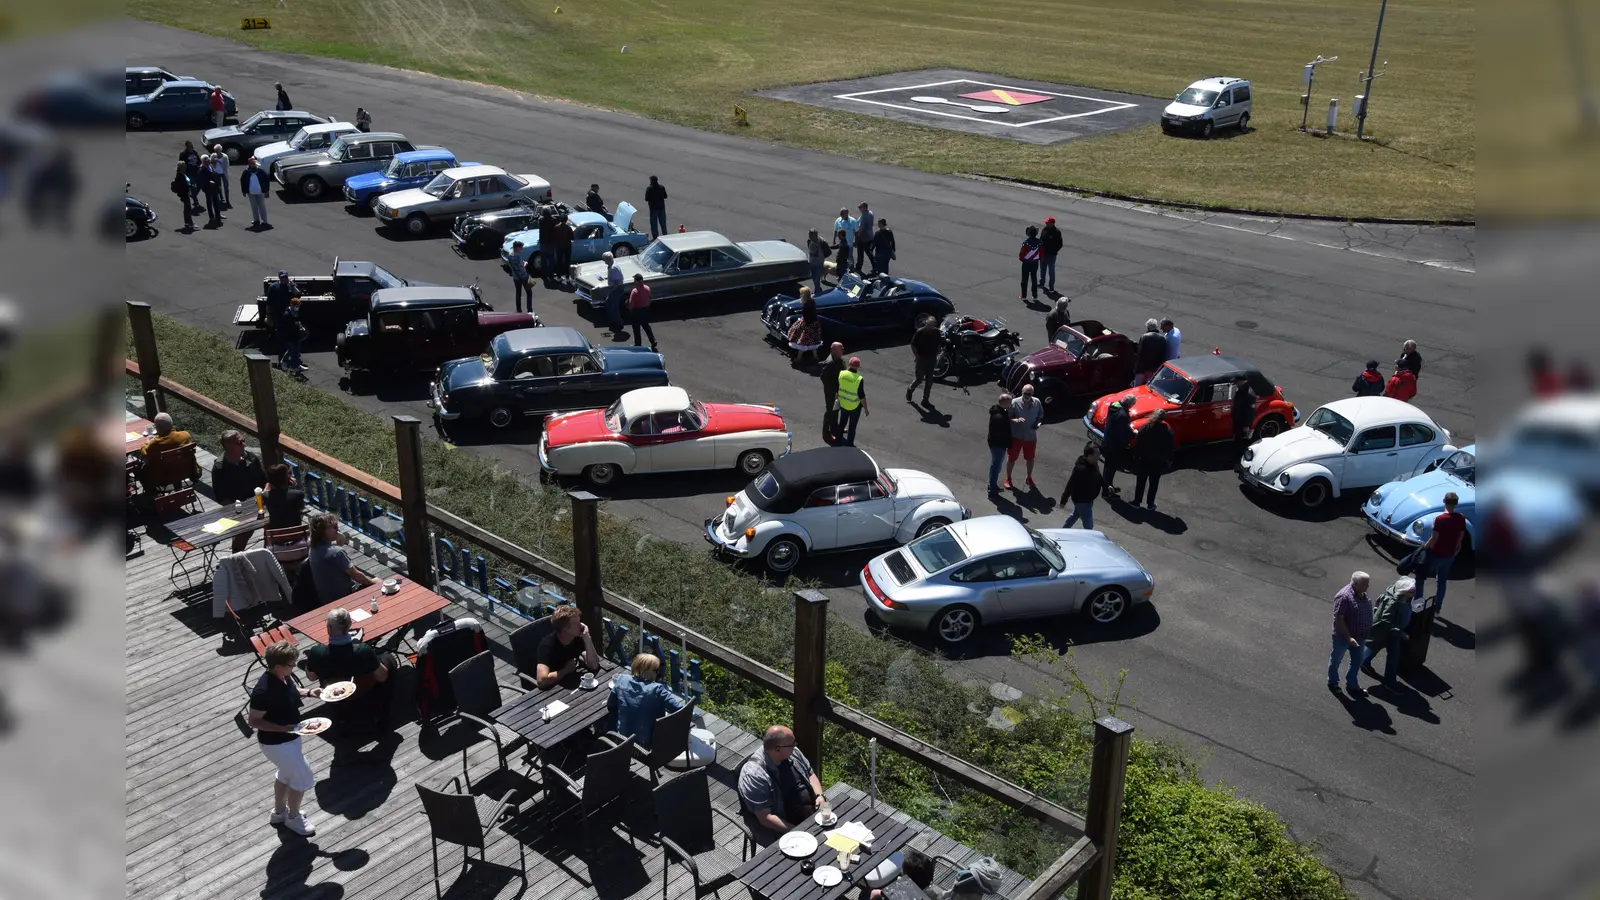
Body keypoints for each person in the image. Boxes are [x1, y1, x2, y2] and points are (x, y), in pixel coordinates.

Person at [248, 641, 320, 836]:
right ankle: (294, 818)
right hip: (276, 743)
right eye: (291, 664)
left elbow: (293, 691)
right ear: (278, 666)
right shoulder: (264, 691)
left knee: (286, 775)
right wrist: (281, 728)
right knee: (303, 777)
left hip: (290, 737)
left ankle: (279, 813)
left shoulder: (283, 677)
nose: (294, 666)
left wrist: (311, 692)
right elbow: (254, 721)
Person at [738, 725, 828, 843]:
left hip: (810, 813)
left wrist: (819, 795)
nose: (795, 746)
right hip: (784, 828)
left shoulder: (792, 753)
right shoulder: (754, 775)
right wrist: (798, 831)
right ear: (778, 749)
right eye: (792, 744)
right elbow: (765, 818)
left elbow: (810, 773)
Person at [607, 653, 685, 747]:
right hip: (645, 747)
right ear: (647, 670)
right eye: (656, 670)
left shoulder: (622, 680)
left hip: (621, 741)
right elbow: (680, 710)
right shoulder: (657, 689)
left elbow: (610, 705)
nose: (658, 673)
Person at [302, 608, 390, 687]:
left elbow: (312, 678)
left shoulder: (317, 652)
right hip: (364, 694)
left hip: (335, 699)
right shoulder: (363, 651)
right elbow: (382, 677)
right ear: (350, 625)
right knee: (388, 659)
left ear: (328, 628)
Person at [212, 430, 267, 552]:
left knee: (275, 522)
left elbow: (264, 482)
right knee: (244, 532)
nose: (244, 444)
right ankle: (237, 559)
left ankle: (269, 553)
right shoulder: (220, 468)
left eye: (243, 441)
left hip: (258, 503)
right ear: (230, 447)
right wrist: (241, 511)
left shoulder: (251, 458)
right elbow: (221, 497)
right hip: (236, 509)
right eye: (240, 442)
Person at [1416, 491, 1467, 619]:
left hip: (1436, 554)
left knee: (1420, 578)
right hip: (1449, 555)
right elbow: (1460, 536)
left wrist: (1423, 549)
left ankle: (1418, 605)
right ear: (1456, 503)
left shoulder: (1439, 519)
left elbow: (1434, 539)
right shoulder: (1461, 517)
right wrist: (1456, 548)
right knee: (1442, 581)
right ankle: (1437, 607)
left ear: (1444, 501)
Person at [307, 513, 376, 603]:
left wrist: (338, 535)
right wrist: (373, 582)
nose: (338, 530)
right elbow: (356, 576)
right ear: (323, 530)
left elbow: (340, 541)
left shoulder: (313, 549)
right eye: (334, 527)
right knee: (377, 582)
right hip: (346, 596)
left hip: (326, 599)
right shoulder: (337, 553)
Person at [1361, 577, 1416, 687]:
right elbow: (1386, 622)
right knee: (1393, 657)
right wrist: (1400, 633)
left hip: (1387, 632)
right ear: (1404, 591)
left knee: (1374, 647)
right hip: (1389, 633)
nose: (1414, 593)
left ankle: (1363, 662)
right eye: (1412, 591)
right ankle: (1390, 683)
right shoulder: (1393, 603)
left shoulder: (1402, 597)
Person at [1329, 572, 1374, 695]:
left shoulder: (1361, 593)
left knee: (1357, 660)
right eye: (1365, 584)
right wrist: (1348, 638)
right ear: (1355, 584)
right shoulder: (1344, 597)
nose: (1368, 586)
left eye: (1368, 583)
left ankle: (1352, 685)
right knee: (1336, 660)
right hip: (1343, 637)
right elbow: (1339, 618)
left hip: (1359, 636)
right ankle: (1333, 682)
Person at [534, 604, 600, 688]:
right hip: (552, 690)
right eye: (577, 623)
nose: (581, 625)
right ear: (565, 629)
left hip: (571, 682)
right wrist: (566, 670)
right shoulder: (547, 646)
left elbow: (594, 665)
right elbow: (541, 680)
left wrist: (587, 638)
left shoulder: (577, 638)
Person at [138, 412, 199, 490]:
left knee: (141, 470)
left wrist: (147, 442)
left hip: (163, 478)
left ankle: (152, 495)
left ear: (158, 427)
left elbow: (144, 452)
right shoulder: (185, 435)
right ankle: (178, 488)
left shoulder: (156, 443)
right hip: (185, 472)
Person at [1131, 408, 1174, 510]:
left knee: (1141, 482)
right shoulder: (1167, 431)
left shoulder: (1146, 427)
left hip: (1144, 460)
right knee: (1153, 484)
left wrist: (1136, 455)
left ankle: (1137, 501)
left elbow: (1138, 442)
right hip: (1157, 461)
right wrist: (1169, 459)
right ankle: (1150, 504)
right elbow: (1170, 447)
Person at [1004, 384, 1044, 490]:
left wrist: (1038, 423)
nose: (1026, 395)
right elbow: (1007, 417)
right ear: (1021, 392)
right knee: (1012, 458)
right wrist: (1015, 420)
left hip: (1030, 436)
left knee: (1030, 458)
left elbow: (1040, 415)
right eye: (1024, 393)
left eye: (1029, 394)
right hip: (1016, 436)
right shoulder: (1014, 402)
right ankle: (1008, 478)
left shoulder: (1037, 402)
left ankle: (1029, 477)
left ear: (1032, 394)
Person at [1060, 444, 1104, 528]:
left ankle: (1064, 529)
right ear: (1090, 456)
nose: (1099, 456)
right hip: (1082, 501)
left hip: (1088, 499)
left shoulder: (1094, 464)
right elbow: (1070, 484)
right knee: (1088, 525)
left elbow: (1098, 477)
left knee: (1075, 515)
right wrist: (1063, 500)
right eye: (1097, 455)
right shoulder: (1080, 469)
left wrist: (1107, 486)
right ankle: (1089, 539)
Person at [1100, 396, 1134, 497]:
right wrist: (1133, 433)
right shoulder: (1123, 415)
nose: (1132, 406)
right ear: (1129, 404)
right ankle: (1106, 491)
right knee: (1110, 469)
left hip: (1108, 442)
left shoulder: (1114, 406)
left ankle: (1107, 487)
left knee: (1107, 468)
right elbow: (1123, 431)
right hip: (1115, 446)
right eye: (1132, 405)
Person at [906, 315, 941, 406]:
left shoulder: (936, 332)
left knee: (929, 381)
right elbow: (913, 345)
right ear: (926, 324)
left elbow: (938, 344)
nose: (930, 327)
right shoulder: (919, 332)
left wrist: (937, 354)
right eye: (929, 325)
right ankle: (911, 389)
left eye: (932, 325)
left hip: (931, 359)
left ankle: (925, 401)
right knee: (920, 379)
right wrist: (917, 356)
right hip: (921, 358)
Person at [835, 356, 868, 447]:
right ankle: (849, 444)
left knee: (842, 423)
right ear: (858, 367)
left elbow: (837, 389)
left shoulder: (841, 374)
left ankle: (838, 441)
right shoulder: (859, 379)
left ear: (849, 364)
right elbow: (862, 396)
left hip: (843, 403)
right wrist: (866, 409)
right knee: (852, 426)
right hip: (855, 406)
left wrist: (836, 401)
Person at [264, 463, 306, 531]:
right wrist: (294, 488)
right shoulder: (298, 494)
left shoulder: (265, 496)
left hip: (276, 535)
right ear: (287, 479)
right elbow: (301, 507)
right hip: (296, 533)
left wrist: (268, 485)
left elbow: (266, 491)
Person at [787, 288, 823, 367]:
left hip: (808, 324)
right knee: (813, 340)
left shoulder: (807, 304)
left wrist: (804, 324)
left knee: (802, 341)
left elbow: (807, 315)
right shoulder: (811, 301)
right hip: (814, 323)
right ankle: (815, 356)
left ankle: (799, 358)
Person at [986, 392, 1012, 494]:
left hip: (995, 443)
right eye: (1009, 402)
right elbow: (1001, 433)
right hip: (998, 445)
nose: (1010, 404)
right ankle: (992, 491)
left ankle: (992, 486)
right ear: (1005, 403)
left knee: (996, 466)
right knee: (996, 467)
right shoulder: (999, 417)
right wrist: (1008, 443)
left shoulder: (998, 411)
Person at [265, 270, 302, 337]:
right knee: (280, 331)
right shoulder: (273, 287)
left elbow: (298, 295)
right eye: (282, 277)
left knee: (291, 331)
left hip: (290, 313)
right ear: (279, 277)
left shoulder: (291, 286)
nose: (284, 279)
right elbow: (269, 303)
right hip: (278, 313)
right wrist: (268, 316)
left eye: (285, 277)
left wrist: (292, 285)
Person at [821, 342, 844, 444]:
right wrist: (834, 391)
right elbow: (824, 378)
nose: (843, 350)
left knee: (836, 409)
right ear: (834, 350)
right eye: (840, 349)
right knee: (830, 411)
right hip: (832, 392)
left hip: (838, 391)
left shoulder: (838, 358)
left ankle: (835, 428)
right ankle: (826, 434)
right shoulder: (830, 362)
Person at [627, 273, 658, 351]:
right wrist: (647, 306)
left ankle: (638, 345)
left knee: (636, 328)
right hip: (645, 310)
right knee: (646, 326)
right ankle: (653, 340)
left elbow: (631, 303)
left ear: (636, 281)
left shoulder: (634, 291)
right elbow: (650, 299)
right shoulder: (647, 288)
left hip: (636, 311)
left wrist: (630, 310)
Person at [278, 296, 306, 374]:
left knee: (296, 351)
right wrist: (295, 324)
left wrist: (300, 326)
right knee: (291, 350)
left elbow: (298, 321)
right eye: (296, 305)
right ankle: (283, 362)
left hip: (295, 335)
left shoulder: (295, 313)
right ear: (292, 305)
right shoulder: (287, 314)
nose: (297, 307)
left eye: (298, 306)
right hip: (288, 336)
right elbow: (285, 326)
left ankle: (297, 366)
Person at [240, 157, 271, 228]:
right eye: (251, 164)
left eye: (254, 163)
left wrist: (266, 191)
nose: (253, 165)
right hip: (251, 192)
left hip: (260, 192)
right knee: (254, 207)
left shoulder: (261, 172)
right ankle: (256, 220)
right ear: (249, 165)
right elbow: (243, 182)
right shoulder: (246, 172)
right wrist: (244, 191)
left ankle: (265, 221)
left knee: (262, 206)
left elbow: (266, 182)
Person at [1230, 374, 1257, 455]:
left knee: (1241, 440)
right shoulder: (1240, 390)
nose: (1236, 383)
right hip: (1237, 418)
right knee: (1236, 438)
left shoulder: (1249, 395)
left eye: (1237, 382)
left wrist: (1247, 425)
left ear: (1243, 382)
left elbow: (1250, 412)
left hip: (1242, 421)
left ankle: (1239, 456)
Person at [1133, 318, 1165, 384]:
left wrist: (1137, 368)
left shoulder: (1144, 337)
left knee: (1137, 389)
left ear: (1148, 327)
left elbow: (1140, 353)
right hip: (1153, 370)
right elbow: (1162, 355)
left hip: (1141, 369)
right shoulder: (1162, 339)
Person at [602, 252, 626, 335]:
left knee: (614, 307)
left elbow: (617, 282)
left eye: (604, 259)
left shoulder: (613, 268)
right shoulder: (612, 266)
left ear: (608, 259)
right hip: (615, 288)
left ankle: (619, 324)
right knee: (608, 303)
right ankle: (612, 321)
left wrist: (612, 291)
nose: (603, 261)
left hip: (616, 289)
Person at [197, 154, 223, 227]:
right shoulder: (201, 169)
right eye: (206, 160)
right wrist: (208, 182)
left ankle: (218, 216)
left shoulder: (211, 166)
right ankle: (211, 217)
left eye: (208, 159)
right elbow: (200, 180)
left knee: (216, 202)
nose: (208, 160)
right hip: (208, 189)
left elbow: (215, 174)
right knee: (209, 203)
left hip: (215, 187)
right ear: (203, 161)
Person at [1039, 216, 1063, 293]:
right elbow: (1041, 240)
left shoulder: (1057, 232)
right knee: (1042, 269)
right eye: (1046, 222)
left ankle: (1051, 287)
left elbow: (1060, 244)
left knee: (1051, 271)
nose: (1046, 223)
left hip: (1051, 255)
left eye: (1047, 222)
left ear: (1052, 223)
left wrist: (1054, 251)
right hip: (1043, 253)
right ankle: (1042, 283)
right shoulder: (1044, 230)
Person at [1018, 225, 1042, 300]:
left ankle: (1024, 295)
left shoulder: (1026, 243)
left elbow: (1022, 253)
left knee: (1024, 279)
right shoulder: (1040, 242)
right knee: (1034, 279)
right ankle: (1034, 295)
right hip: (1035, 263)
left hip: (1026, 263)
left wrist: (1022, 259)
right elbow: (1042, 253)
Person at [832, 208, 856, 280]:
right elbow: (836, 230)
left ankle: (851, 271)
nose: (843, 215)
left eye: (845, 213)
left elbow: (856, 232)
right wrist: (834, 239)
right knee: (843, 258)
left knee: (849, 258)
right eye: (842, 214)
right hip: (841, 243)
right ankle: (846, 272)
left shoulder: (852, 221)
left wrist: (856, 241)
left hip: (850, 243)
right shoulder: (838, 221)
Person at [179, 141, 203, 213]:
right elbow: (181, 163)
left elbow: (199, 161)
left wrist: (200, 166)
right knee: (192, 187)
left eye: (191, 146)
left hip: (196, 172)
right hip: (189, 173)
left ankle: (193, 195)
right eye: (189, 146)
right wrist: (183, 172)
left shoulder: (194, 152)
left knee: (200, 185)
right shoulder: (183, 154)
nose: (191, 148)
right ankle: (196, 202)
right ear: (186, 147)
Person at [509, 241, 533, 312]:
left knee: (518, 293)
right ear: (517, 248)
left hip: (515, 277)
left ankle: (518, 310)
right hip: (523, 276)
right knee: (529, 292)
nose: (522, 248)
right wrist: (525, 263)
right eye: (521, 247)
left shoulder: (510, 254)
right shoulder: (518, 255)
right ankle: (529, 309)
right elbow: (521, 266)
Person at [170, 163, 194, 232]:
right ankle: (188, 223)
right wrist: (189, 186)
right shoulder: (180, 176)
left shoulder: (182, 174)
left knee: (188, 208)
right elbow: (182, 186)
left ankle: (190, 222)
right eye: (184, 167)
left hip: (186, 193)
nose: (185, 168)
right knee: (187, 209)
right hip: (184, 194)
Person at [805, 228, 830, 295]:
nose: (809, 236)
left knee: (817, 278)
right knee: (813, 277)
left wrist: (822, 258)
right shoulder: (809, 241)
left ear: (815, 235)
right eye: (809, 235)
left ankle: (817, 292)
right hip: (811, 262)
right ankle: (818, 289)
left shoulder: (822, 242)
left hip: (819, 263)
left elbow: (828, 252)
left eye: (811, 235)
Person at [854, 201, 876, 274]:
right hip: (870, 236)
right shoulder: (870, 213)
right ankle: (875, 266)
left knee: (860, 254)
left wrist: (857, 237)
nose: (859, 208)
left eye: (860, 207)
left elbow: (861, 228)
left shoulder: (864, 217)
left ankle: (858, 268)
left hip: (863, 238)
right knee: (869, 253)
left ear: (864, 207)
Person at [536, 212, 557, 288]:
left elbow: (539, 221)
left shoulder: (541, 221)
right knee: (551, 259)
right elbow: (555, 220)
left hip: (543, 243)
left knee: (543, 259)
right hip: (551, 243)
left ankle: (544, 274)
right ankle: (550, 274)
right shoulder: (553, 220)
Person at [644, 175, 668, 239]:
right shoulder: (661, 187)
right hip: (661, 208)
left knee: (654, 225)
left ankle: (655, 238)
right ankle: (665, 236)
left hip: (653, 209)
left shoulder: (649, 188)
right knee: (663, 224)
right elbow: (665, 196)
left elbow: (646, 199)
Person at [552, 214, 574, 284]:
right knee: (567, 261)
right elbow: (572, 237)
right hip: (567, 246)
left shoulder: (556, 227)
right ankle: (567, 277)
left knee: (559, 261)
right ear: (566, 219)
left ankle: (559, 276)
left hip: (558, 246)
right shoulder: (568, 228)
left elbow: (554, 237)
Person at [211, 145, 231, 210]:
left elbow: (226, 166)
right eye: (215, 151)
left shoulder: (225, 157)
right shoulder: (213, 156)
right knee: (218, 186)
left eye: (217, 151)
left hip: (223, 173)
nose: (216, 152)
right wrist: (215, 160)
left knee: (226, 187)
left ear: (220, 150)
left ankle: (227, 199)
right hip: (217, 173)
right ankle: (221, 197)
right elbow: (211, 163)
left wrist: (219, 162)